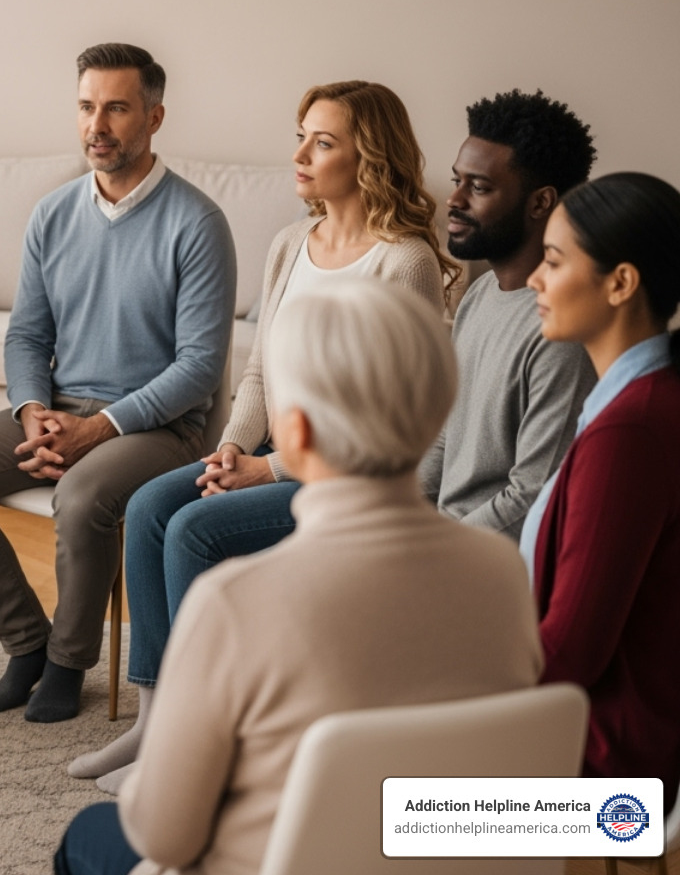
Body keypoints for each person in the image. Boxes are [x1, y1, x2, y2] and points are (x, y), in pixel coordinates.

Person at [54, 277, 542, 875]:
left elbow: (166, 833)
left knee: (87, 836)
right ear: (439, 407)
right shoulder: (503, 575)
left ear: (298, 433)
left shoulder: (233, 602)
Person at [74, 80, 452, 784]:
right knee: (154, 506)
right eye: (301, 134)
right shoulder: (289, 243)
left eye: (324, 140)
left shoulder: (404, 262)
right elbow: (256, 373)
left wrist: (271, 474)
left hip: (353, 476)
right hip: (275, 454)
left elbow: (405, 417)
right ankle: (156, 725)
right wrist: (232, 448)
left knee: (195, 530)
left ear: (368, 155)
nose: (301, 153)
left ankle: (199, 739)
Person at [0, 43, 236, 723]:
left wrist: (98, 429)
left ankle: (68, 659)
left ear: (154, 117)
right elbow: (28, 336)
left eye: (117, 108)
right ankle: (26, 642)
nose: (98, 125)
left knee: (83, 495)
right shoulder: (53, 215)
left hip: (156, 426)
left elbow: (200, 365)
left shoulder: (197, 222)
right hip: (59, 408)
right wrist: (33, 412)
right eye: (87, 107)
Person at [522, 172, 680, 811]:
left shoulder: (632, 430)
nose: (535, 279)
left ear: (620, 283)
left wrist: (454, 681)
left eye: (553, 263)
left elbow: (568, 655)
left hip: (613, 800)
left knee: (396, 819)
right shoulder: (638, 402)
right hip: (607, 756)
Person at [419, 90, 598, 533]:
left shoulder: (561, 332)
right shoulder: (480, 293)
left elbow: (533, 494)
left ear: (540, 203)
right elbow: (448, 437)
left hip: (487, 564)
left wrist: (437, 551)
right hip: (442, 540)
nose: (454, 200)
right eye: (457, 180)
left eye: (478, 187)